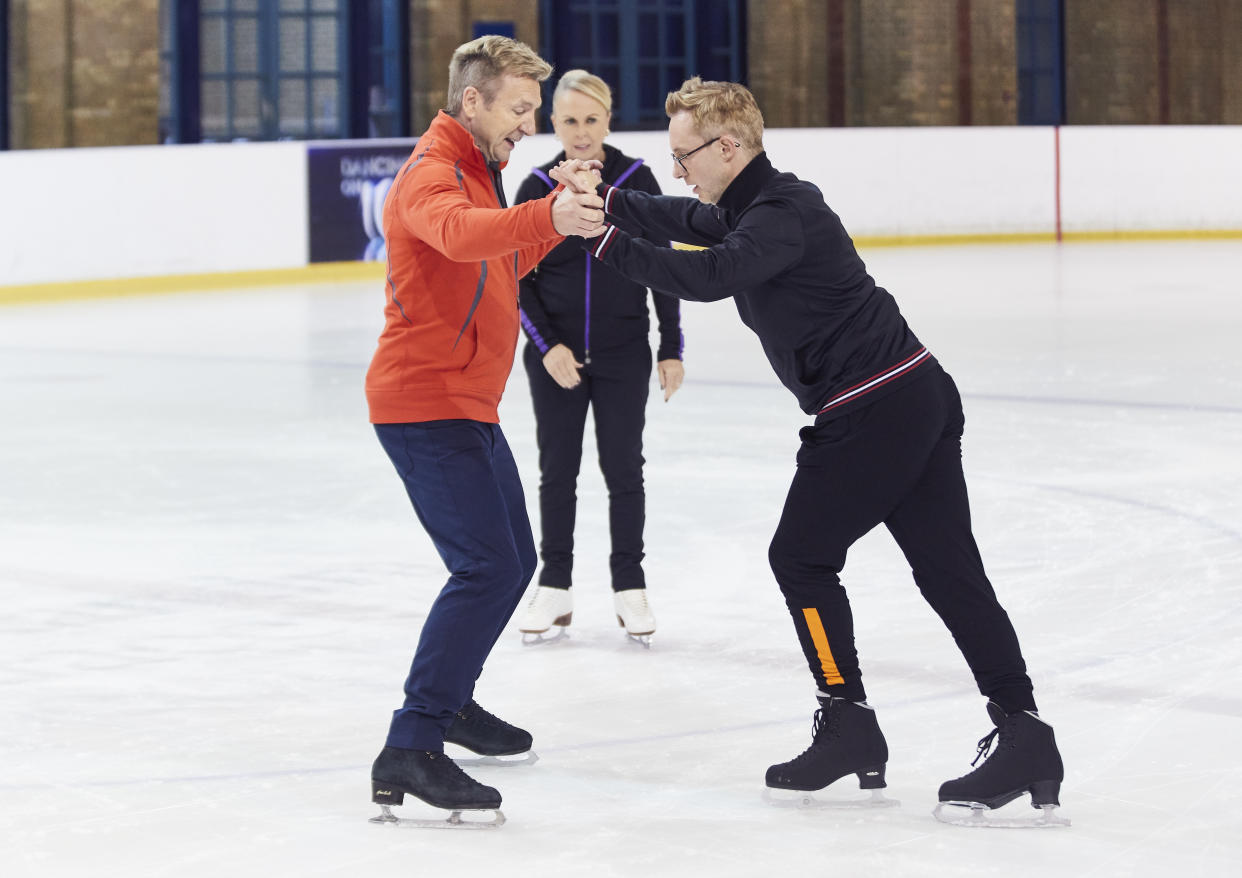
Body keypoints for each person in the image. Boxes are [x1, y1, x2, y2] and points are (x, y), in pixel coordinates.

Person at [552, 78, 1065, 821]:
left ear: (727, 147)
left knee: (801, 557)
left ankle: (849, 721)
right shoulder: (747, 205)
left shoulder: (784, 211)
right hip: (910, 394)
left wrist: (599, 238)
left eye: (684, 155)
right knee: (950, 573)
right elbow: (683, 216)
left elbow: (709, 274)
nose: (678, 170)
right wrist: (608, 202)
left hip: (873, 409)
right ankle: (1026, 735)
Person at [362, 35, 606, 823]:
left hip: (465, 402)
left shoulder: (478, 171)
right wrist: (543, 211)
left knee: (511, 560)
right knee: (485, 566)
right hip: (423, 402)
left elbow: (498, 261)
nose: (529, 125)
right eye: (518, 108)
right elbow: (463, 236)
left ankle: (451, 703)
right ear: (473, 101)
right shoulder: (433, 174)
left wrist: (557, 222)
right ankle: (412, 742)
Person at [511, 69, 685, 645]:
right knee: (557, 472)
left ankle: (629, 587)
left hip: (623, 351)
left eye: (591, 120)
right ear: (553, 123)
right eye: (568, 121)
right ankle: (554, 587)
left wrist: (671, 346)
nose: (581, 133)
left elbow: (663, 267)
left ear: (608, 120)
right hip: (554, 356)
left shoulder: (636, 181)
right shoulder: (536, 185)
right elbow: (516, 280)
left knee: (623, 469)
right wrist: (547, 345)